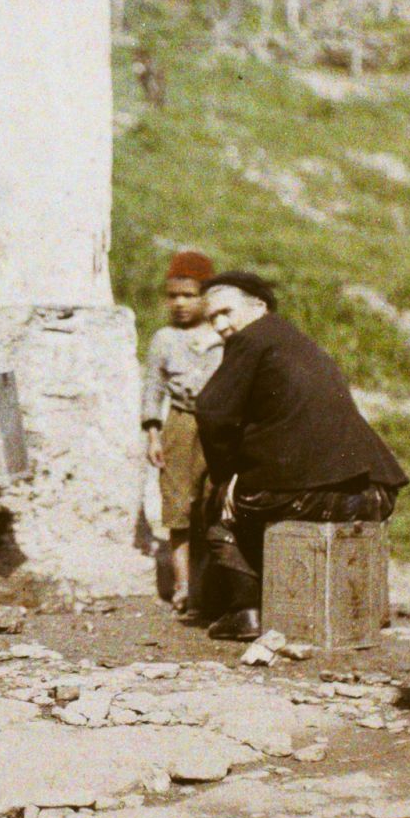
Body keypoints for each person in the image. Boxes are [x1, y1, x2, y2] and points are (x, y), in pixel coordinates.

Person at [192, 270, 407, 641]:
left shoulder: (250, 339)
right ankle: (362, 608)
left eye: (226, 312)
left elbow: (211, 412)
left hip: (307, 493)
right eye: (212, 319)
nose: (221, 325)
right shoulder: (299, 342)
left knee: (219, 509)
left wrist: (226, 477)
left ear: (259, 306)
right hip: (372, 493)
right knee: (251, 502)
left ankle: (246, 611)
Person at [141, 250, 222, 613]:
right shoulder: (164, 339)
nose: (180, 304)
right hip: (179, 424)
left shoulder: (222, 334)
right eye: (173, 296)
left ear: (206, 297)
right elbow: (153, 388)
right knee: (177, 505)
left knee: (212, 501)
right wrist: (153, 435)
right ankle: (184, 586)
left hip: (217, 428)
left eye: (189, 295)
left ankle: (213, 586)